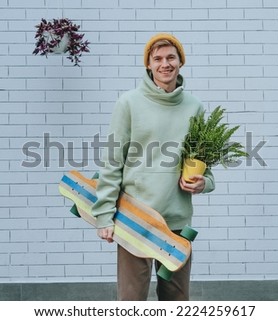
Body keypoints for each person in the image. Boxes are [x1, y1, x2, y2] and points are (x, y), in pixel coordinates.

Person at [91, 33, 215, 301]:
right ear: (148, 65)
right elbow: (112, 161)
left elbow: (207, 163)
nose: (164, 64)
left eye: (171, 57)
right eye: (157, 59)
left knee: (177, 300)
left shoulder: (195, 107)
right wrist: (104, 214)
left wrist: (204, 182)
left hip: (177, 223)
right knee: (132, 300)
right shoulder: (128, 103)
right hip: (134, 218)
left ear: (181, 62)